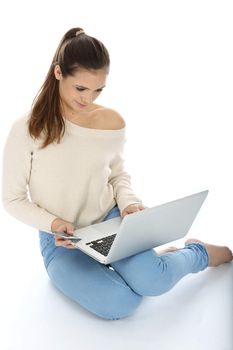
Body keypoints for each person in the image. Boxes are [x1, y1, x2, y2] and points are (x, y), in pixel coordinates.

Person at [2, 27, 232, 321]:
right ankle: (146, 265)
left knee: (155, 282)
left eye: (98, 90)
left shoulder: (110, 122)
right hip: (62, 242)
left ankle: (196, 253)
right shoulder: (27, 129)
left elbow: (118, 176)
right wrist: (54, 224)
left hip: (110, 224)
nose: (88, 98)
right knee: (120, 305)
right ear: (58, 73)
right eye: (81, 89)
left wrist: (128, 204)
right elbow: (12, 199)